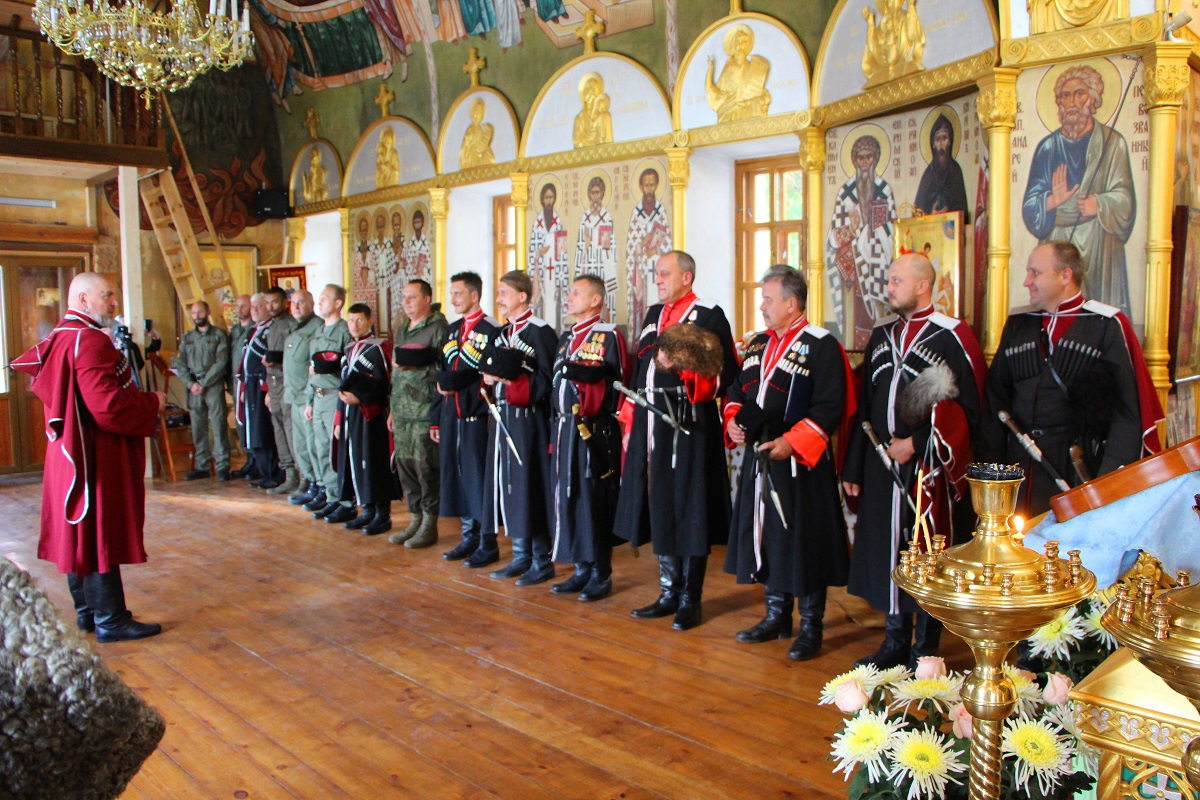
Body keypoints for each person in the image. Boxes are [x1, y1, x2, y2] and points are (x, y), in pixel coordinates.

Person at [842, 253, 987, 669]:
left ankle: (926, 646)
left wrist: (919, 443)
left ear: (923, 286)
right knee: (889, 552)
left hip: (928, 468)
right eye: (888, 281)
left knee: (925, 552)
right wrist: (854, 467)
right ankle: (893, 640)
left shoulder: (953, 335)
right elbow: (866, 406)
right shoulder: (882, 335)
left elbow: (969, 411)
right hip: (880, 463)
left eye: (895, 281)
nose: (887, 288)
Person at [11, 273, 166, 642]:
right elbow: (107, 406)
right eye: (107, 295)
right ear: (82, 300)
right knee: (98, 531)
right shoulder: (90, 340)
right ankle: (110, 620)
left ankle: (88, 613)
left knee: (79, 529)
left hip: (69, 453)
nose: (114, 303)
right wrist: (151, 403)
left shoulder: (62, 336)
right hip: (93, 453)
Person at [723, 266, 855, 661]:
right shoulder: (758, 343)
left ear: (791, 303)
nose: (761, 306)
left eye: (767, 299)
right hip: (761, 457)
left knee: (804, 542)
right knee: (766, 538)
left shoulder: (821, 345)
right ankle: (776, 616)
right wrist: (733, 420)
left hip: (801, 463)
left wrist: (792, 442)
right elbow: (736, 389)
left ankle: (811, 625)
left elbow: (831, 405)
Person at [981, 241, 1162, 518]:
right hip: (1021, 470)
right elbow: (996, 403)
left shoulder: (1104, 325)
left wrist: (1104, 484)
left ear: (1065, 276)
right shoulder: (1019, 325)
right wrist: (992, 474)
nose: (1026, 281)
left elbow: (1127, 413)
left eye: (1035, 273)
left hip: (1077, 466)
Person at [614, 250, 739, 631]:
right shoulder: (653, 315)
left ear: (687, 277)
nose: (658, 279)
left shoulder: (709, 314)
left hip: (688, 421)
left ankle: (690, 598)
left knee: (691, 506)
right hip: (650, 420)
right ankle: (668, 589)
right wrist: (629, 419)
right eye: (656, 273)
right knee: (659, 503)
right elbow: (639, 371)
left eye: (665, 274)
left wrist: (685, 371)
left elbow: (726, 370)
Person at [1022, 65, 1136, 317]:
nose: (1071, 102)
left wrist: (1100, 203)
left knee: (1098, 319)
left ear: (1093, 99)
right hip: (1057, 239)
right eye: (1065, 95)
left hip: (1099, 244)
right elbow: (1030, 206)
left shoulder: (1112, 143)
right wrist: (1052, 200)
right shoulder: (1047, 148)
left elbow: (1126, 200)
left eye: (1079, 94)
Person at [549, 274, 628, 601]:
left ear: (596, 300)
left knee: (593, 499)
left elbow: (618, 386)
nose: (569, 298)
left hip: (593, 431)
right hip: (565, 428)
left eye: (576, 293)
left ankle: (601, 571)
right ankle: (580, 567)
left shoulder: (609, 336)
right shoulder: (567, 338)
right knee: (569, 497)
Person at [480, 270, 559, 584]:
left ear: (522, 296)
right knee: (508, 485)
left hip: (530, 422)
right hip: (501, 419)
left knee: (530, 486)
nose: (499, 299)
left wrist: (514, 384)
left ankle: (541, 560)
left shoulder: (539, 332)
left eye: (504, 293)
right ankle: (520, 555)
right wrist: (488, 381)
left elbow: (549, 378)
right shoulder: (501, 333)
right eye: (498, 293)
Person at [433, 271, 503, 566]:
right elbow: (441, 375)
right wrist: (436, 418)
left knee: (479, 479)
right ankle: (468, 537)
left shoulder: (491, 330)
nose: (453, 299)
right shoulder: (450, 331)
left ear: (474, 295)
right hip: (452, 415)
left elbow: (492, 374)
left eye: (458, 294)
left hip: (478, 414)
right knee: (458, 476)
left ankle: (487, 541)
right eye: (452, 294)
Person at [387, 280, 447, 548]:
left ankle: (429, 523)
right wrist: (392, 408)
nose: (406, 302)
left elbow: (444, 371)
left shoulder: (438, 329)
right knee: (406, 467)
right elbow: (396, 375)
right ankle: (414, 518)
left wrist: (418, 367)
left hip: (424, 410)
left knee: (426, 469)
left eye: (412, 297)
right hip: (402, 411)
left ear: (427, 299)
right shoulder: (402, 329)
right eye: (403, 298)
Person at [825, 134, 897, 348]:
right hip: (852, 274)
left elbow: (889, 234)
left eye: (869, 158)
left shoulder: (884, 191)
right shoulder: (845, 194)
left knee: (878, 319)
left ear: (875, 159)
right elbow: (833, 239)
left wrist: (870, 234)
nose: (865, 163)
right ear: (854, 160)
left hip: (878, 268)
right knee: (855, 321)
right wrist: (852, 229)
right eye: (861, 158)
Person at [332, 303, 396, 535]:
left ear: (370, 321)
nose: (354, 325)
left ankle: (382, 513)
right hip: (350, 415)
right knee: (354, 461)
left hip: (372, 415)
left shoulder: (380, 348)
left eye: (359, 320)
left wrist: (361, 398)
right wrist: (338, 419)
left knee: (373, 461)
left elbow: (386, 382)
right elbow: (343, 385)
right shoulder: (349, 349)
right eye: (350, 321)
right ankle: (366, 509)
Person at [305, 285, 354, 520]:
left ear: (337, 303)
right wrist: (308, 401)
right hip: (318, 395)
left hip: (335, 395)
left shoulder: (344, 331)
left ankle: (346, 501)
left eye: (324, 299)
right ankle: (332, 496)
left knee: (337, 451)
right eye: (319, 299)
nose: (319, 303)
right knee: (321, 449)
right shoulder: (317, 331)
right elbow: (311, 371)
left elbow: (349, 369)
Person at [173, 301, 231, 481]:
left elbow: (221, 362)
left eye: (200, 312)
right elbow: (180, 363)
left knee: (218, 425)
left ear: (208, 312)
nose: (197, 316)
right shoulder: (187, 337)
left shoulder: (219, 335)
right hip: (193, 387)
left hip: (212, 385)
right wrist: (191, 384)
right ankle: (202, 465)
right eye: (194, 313)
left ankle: (223, 466)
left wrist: (204, 383)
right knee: (198, 427)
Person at [281, 290, 324, 505]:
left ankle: (318, 482)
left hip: (308, 397)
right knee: (300, 445)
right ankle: (307, 479)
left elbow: (314, 366)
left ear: (312, 304)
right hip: (293, 395)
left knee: (312, 445)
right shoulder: (294, 328)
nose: (296, 306)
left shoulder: (316, 328)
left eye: (301, 303)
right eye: (293, 303)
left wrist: (309, 397)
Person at [625, 168, 672, 345]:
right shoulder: (636, 214)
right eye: (646, 185)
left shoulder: (661, 212)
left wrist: (657, 251)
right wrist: (640, 250)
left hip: (657, 268)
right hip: (641, 271)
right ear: (641, 187)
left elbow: (667, 246)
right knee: (642, 308)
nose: (650, 189)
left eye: (653, 185)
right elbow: (631, 246)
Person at [238, 294, 280, 487]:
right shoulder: (252, 331)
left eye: (259, 306)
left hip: (263, 385)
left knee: (263, 429)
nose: (254, 310)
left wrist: (266, 389)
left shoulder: (271, 330)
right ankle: (262, 471)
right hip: (251, 385)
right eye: (252, 307)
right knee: (254, 429)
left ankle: (273, 473)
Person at [261, 287, 299, 492]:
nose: (270, 307)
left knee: (290, 427)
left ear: (284, 302)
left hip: (287, 382)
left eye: (274, 302)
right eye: (267, 303)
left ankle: (301, 474)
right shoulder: (271, 327)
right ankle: (288, 472)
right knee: (278, 427)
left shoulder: (292, 325)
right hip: (273, 383)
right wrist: (268, 389)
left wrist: (277, 363)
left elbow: (295, 359)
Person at [705, 23, 771, 123]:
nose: (740, 46)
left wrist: (751, 100)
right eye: (737, 43)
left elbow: (757, 90)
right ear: (733, 46)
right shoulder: (728, 69)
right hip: (728, 110)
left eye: (742, 42)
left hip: (747, 108)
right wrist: (710, 69)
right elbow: (717, 92)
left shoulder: (757, 66)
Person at [914, 113, 970, 220]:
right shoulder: (928, 174)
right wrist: (931, 214)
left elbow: (963, 211)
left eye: (944, 138)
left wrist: (948, 214)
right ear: (933, 144)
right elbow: (917, 213)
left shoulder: (956, 171)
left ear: (949, 141)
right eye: (937, 140)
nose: (940, 145)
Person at [575, 176, 618, 315]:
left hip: (604, 266)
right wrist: (586, 245)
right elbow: (579, 248)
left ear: (602, 194)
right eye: (592, 193)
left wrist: (605, 247)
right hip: (588, 265)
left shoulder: (607, 217)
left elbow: (613, 247)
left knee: (604, 304)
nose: (595, 196)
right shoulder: (584, 219)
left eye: (598, 192)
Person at [528, 183, 569, 329]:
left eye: (551, 197)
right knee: (542, 308)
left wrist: (561, 274)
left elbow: (563, 253)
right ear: (542, 200)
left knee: (555, 305)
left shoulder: (558, 224)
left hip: (555, 275)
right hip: (542, 276)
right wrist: (539, 254)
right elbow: (532, 253)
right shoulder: (536, 225)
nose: (549, 200)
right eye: (546, 197)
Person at [228, 293, 256, 478]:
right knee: (240, 423)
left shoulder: (256, 329)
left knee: (252, 422)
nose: (239, 309)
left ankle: (256, 462)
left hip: (251, 383)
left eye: (243, 306)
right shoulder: (234, 331)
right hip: (236, 382)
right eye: (237, 306)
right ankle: (248, 460)